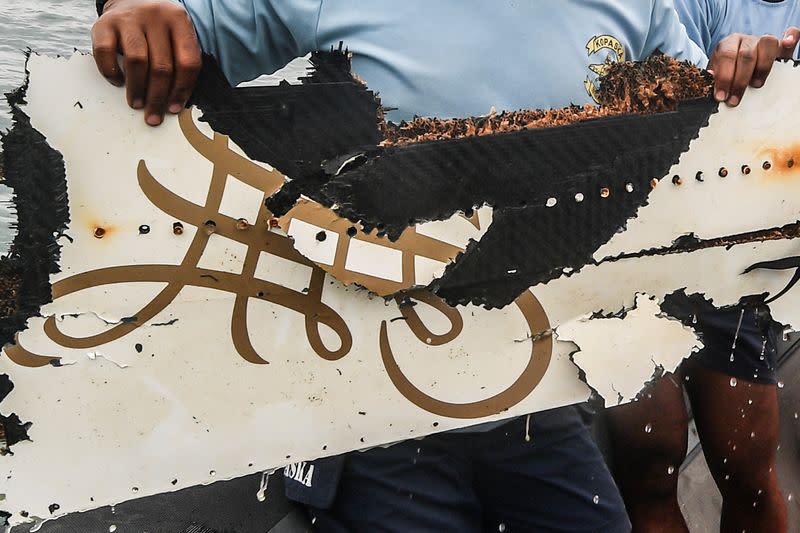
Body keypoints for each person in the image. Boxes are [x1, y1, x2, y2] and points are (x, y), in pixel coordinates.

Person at [91, 1, 793, 531]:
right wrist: (131, 11)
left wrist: (744, 77)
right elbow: (186, 25)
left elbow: (700, 125)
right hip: (380, 414)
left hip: (534, 405)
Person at [605, 4, 799, 533]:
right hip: (635, 250)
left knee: (751, 478)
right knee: (648, 468)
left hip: (739, 259)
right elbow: (672, 84)